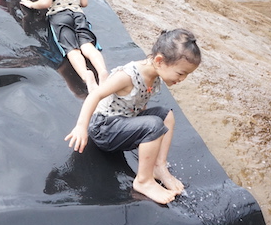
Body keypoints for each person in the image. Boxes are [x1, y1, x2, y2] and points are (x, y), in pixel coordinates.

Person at [65, 29, 201, 204]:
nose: (183, 79)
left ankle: (159, 166)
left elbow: (139, 103)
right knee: (153, 125)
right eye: (181, 73)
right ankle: (143, 181)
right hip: (104, 129)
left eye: (187, 74)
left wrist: (143, 132)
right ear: (159, 61)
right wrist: (81, 127)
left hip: (123, 122)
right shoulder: (128, 75)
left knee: (166, 116)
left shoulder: (155, 76)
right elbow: (95, 95)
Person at [20, 0, 109, 92]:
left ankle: (86, 76)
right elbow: (84, 3)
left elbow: (46, 3)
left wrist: (32, 4)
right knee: (87, 45)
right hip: (78, 15)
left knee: (72, 50)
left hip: (60, 17)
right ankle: (102, 71)